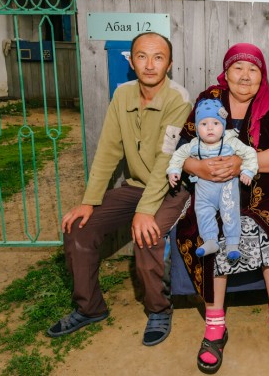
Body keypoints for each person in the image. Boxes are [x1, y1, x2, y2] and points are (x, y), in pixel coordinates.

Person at [46, 32, 192, 347]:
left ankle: (158, 309)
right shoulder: (122, 95)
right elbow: (108, 151)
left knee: (147, 235)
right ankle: (89, 308)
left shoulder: (178, 99)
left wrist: (145, 211)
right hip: (136, 186)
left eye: (158, 57)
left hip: (171, 189)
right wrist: (89, 201)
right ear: (131, 61)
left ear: (169, 64)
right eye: (142, 56)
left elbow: (166, 159)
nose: (150, 65)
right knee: (79, 227)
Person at [175, 43, 269, 373]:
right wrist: (199, 167)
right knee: (211, 232)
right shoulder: (209, 98)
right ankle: (215, 325)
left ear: (262, 75)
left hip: (261, 190)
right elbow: (183, 147)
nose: (245, 76)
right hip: (213, 189)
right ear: (226, 72)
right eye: (238, 68)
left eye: (253, 69)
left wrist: (243, 162)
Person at [166, 98, 258, 260]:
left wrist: (248, 171)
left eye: (215, 123)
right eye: (204, 124)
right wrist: (174, 170)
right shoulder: (194, 145)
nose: (210, 128)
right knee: (203, 213)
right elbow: (178, 155)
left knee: (230, 213)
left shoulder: (231, 142)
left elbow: (250, 153)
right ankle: (210, 240)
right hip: (204, 191)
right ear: (197, 128)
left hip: (227, 188)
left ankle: (232, 244)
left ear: (223, 126)